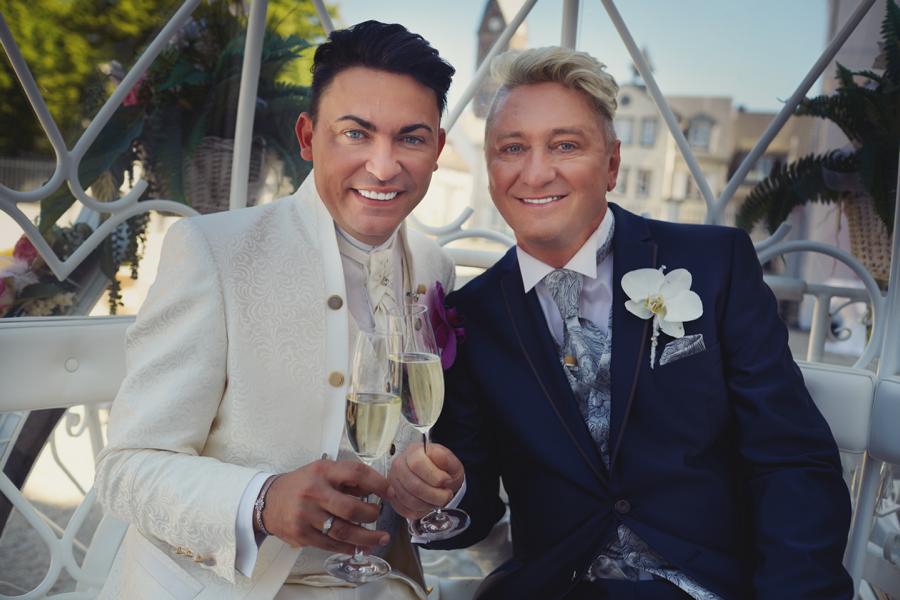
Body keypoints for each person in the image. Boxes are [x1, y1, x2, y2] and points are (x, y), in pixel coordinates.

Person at [389, 46, 853, 599]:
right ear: (491, 171)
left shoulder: (715, 264)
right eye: (512, 148)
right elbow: (474, 511)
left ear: (611, 164)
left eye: (565, 145)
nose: (536, 172)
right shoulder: (472, 314)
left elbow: (790, 458)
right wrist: (444, 494)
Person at [95, 20, 456, 600]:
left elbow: (400, 438)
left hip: (378, 585)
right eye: (355, 134)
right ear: (308, 138)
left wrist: (419, 482)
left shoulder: (436, 267)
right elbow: (125, 470)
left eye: (411, 139)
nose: (383, 166)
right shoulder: (213, 251)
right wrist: (260, 501)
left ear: (437, 150)